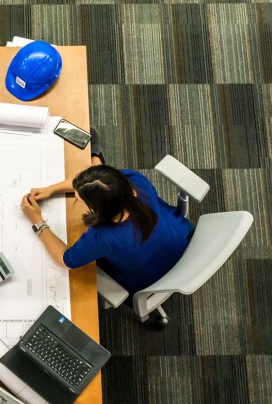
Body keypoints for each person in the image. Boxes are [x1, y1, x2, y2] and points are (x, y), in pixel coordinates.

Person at [20, 130, 194, 303]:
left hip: (150, 279)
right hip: (184, 240)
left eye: (80, 200)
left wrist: (37, 221)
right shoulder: (135, 181)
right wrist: (51, 189)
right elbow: (95, 183)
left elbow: (65, 260)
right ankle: (97, 156)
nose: (77, 199)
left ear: (99, 209)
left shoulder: (102, 237)